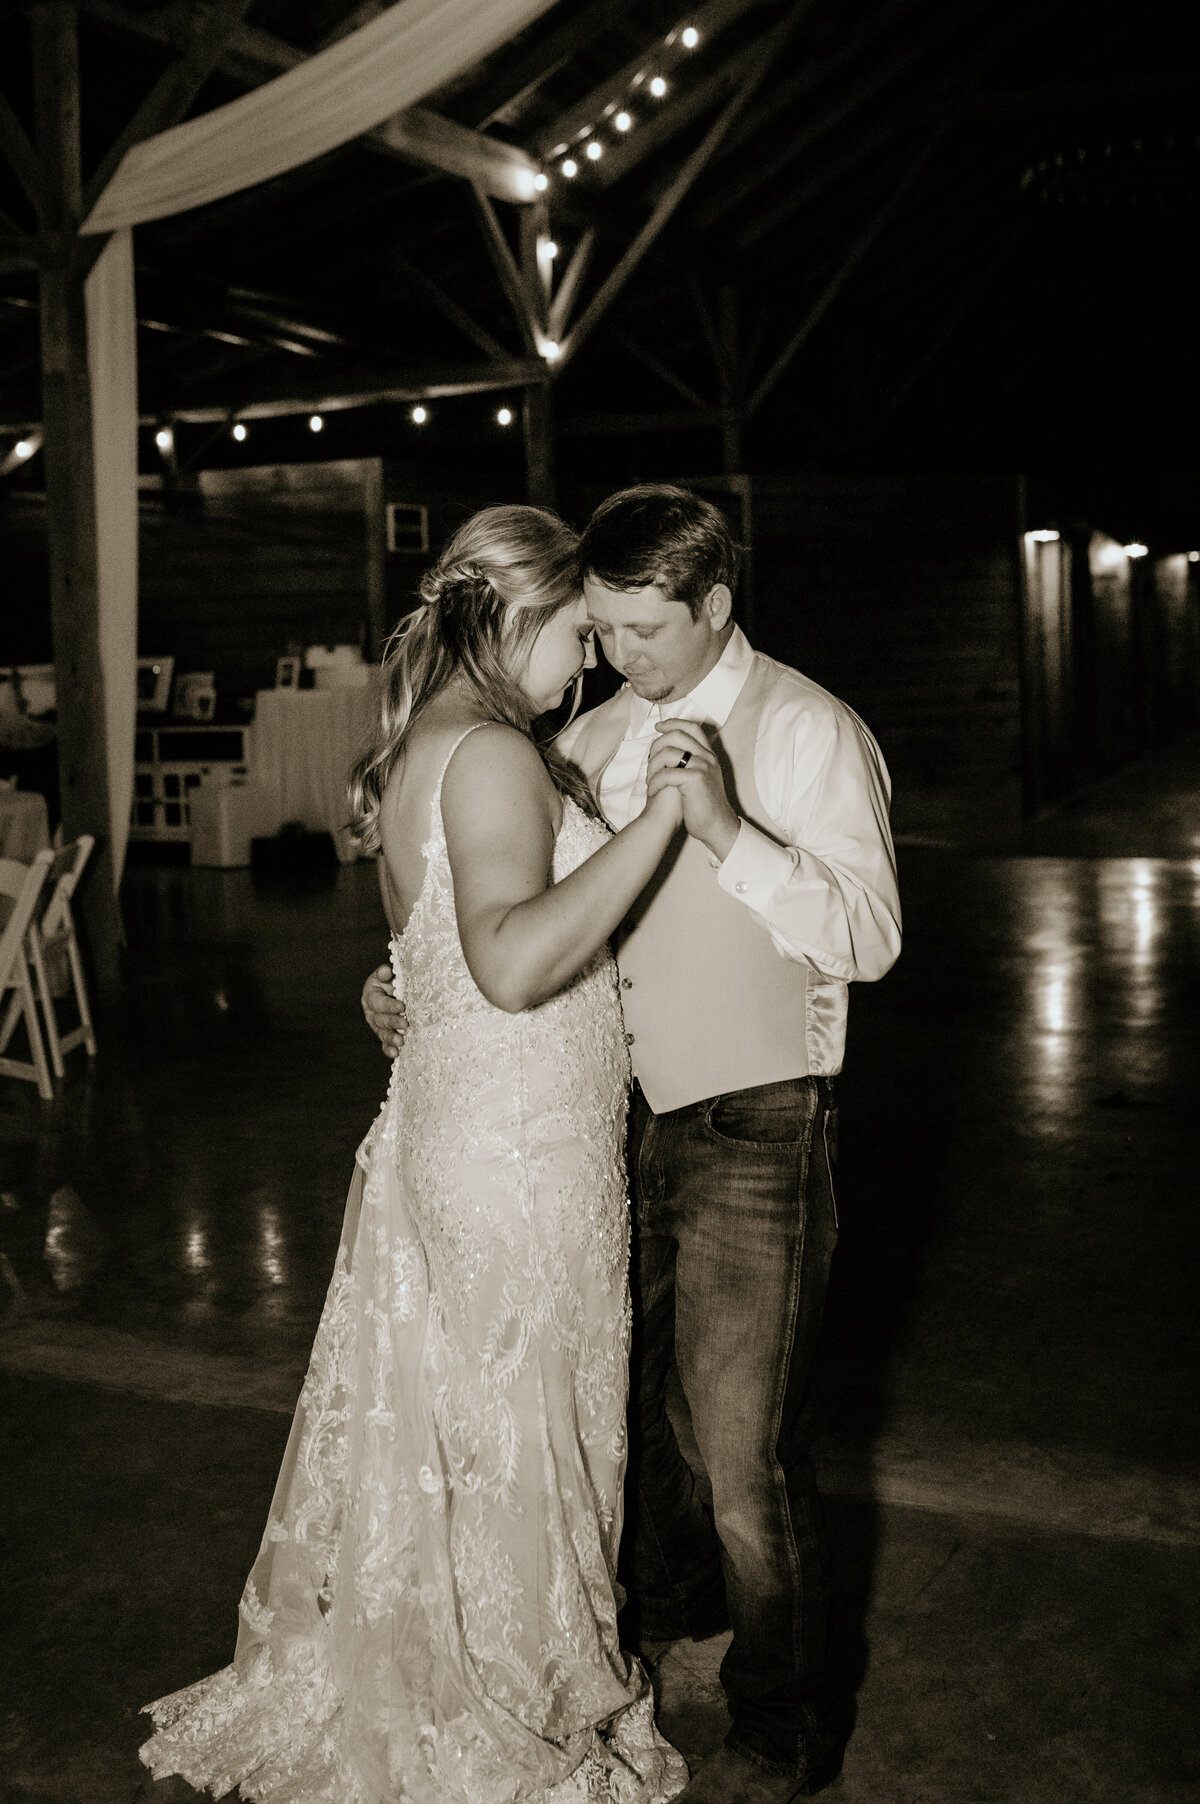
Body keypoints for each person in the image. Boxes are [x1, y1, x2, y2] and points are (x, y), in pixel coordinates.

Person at [140, 506, 691, 1804]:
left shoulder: (422, 752)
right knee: (533, 1450)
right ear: (513, 618)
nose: (595, 662)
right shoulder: (495, 751)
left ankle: (486, 1680)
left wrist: (380, 1000)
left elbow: (419, 969)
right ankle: (519, 1718)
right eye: (579, 633)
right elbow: (503, 962)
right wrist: (667, 820)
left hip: (471, 1128)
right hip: (518, 1150)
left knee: (492, 1444)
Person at [364, 486, 902, 1802]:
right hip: (591, 1130)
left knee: (739, 1452)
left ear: (716, 606)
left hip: (751, 1122)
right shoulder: (582, 731)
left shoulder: (807, 729)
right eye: (595, 627)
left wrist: (727, 830)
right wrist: (405, 986)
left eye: (641, 629)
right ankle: (642, 1645)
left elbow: (870, 939)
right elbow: (500, 907)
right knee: (626, 1423)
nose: (611, 657)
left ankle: (780, 1725)